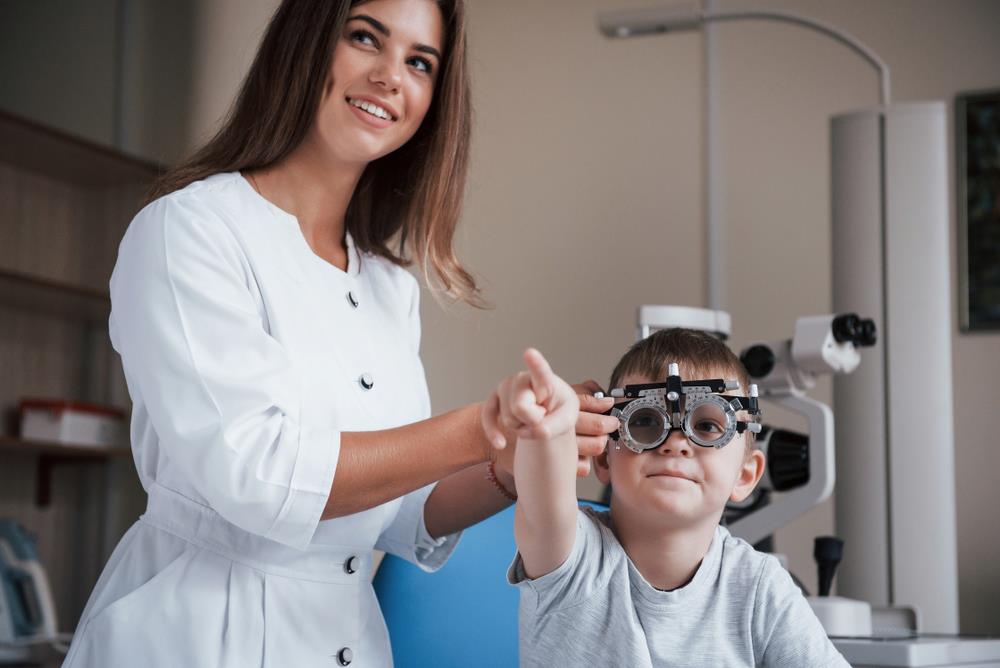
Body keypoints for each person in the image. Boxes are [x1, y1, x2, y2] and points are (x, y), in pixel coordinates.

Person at [62, 1, 616, 666]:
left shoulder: (389, 286)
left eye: (419, 63)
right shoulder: (188, 231)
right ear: (306, 43)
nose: (390, 77)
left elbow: (400, 510)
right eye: (364, 38)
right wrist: (478, 427)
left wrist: (517, 458)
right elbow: (258, 477)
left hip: (345, 639)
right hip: (200, 636)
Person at [483, 330, 850, 667]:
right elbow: (541, 497)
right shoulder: (574, 558)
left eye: (707, 426)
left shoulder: (757, 587)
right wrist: (540, 429)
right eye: (645, 421)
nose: (676, 442)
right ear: (602, 457)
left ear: (745, 475)